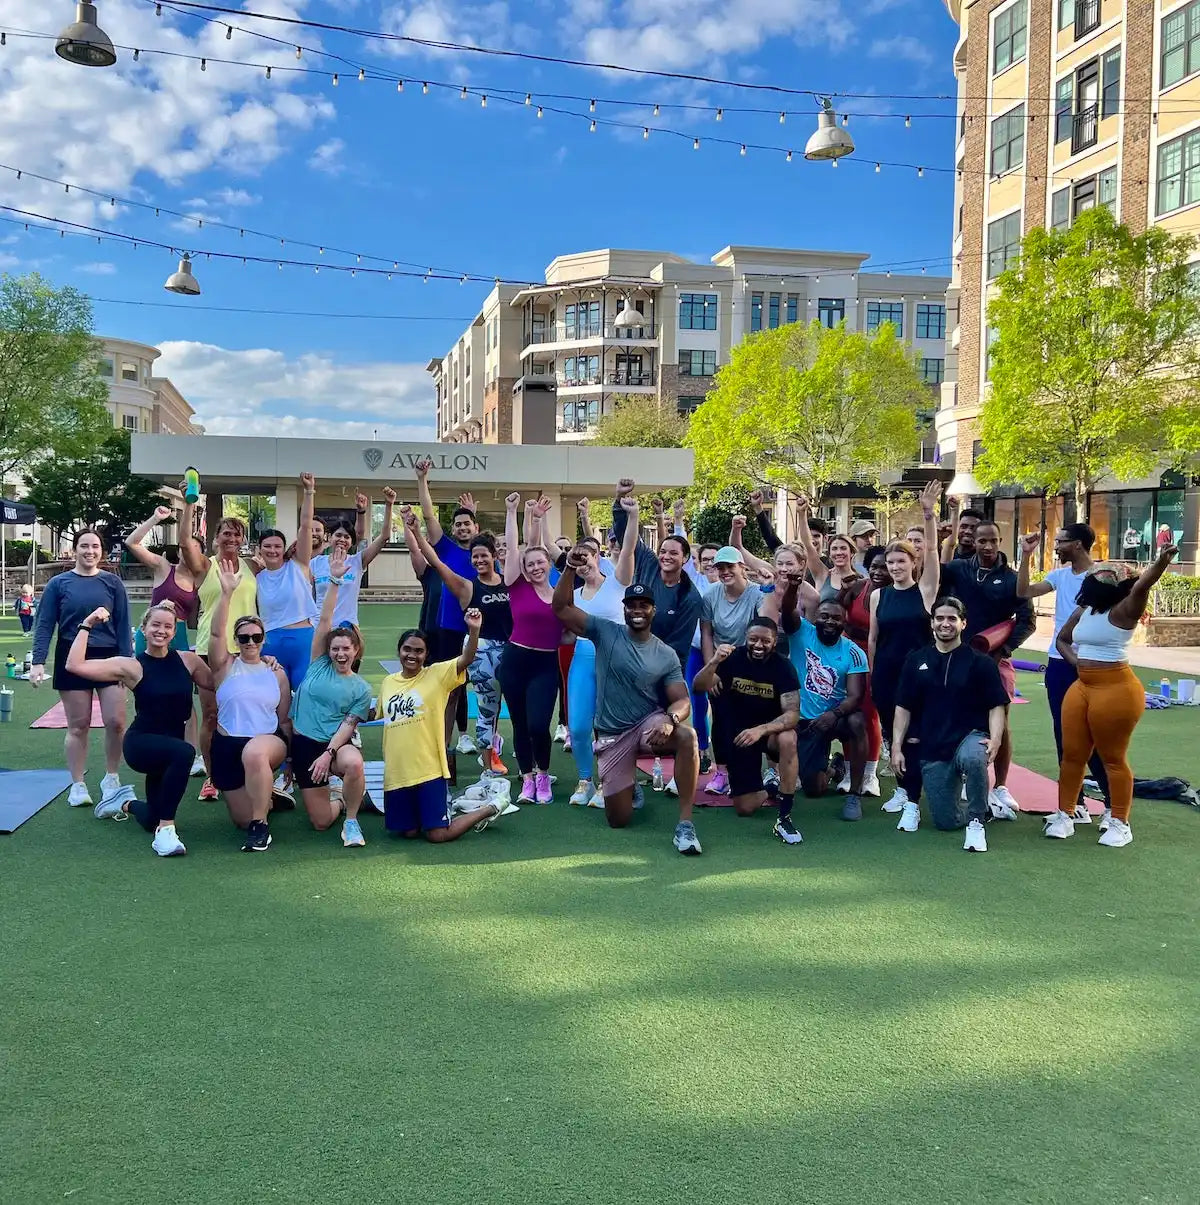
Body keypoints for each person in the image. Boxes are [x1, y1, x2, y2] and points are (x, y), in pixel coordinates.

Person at [552, 567, 702, 854]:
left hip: (649, 724)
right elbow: (560, 607)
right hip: (613, 733)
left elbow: (682, 700)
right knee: (618, 820)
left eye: (643, 605)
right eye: (631, 605)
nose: (637, 610)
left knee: (687, 737)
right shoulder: (605, 631)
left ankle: (685, 823)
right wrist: (570, 567)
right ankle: (630, 786)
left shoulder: (665, 654)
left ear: (653, 610)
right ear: (623, 610)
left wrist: (671, 720)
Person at [1044, 543, 1179, 847]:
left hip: (1116, 688)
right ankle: (1066, 814)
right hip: (1082, 687)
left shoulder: (1126, 609)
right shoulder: (1085, 610)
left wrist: (1161, 562)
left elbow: (1145, 584)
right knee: (1072, 755)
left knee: (1113, 758)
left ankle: (1120, 821)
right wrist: (1077, 662)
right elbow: (1063, 640)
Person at [63, 602, 212, 854]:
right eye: (155, 625)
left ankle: (123, 802)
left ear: (175, 632)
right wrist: (86, 625)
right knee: (185, 752)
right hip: (141, 745)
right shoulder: (132, 666)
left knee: (151, 817)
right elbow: (74, 666)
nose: (161, 631)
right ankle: (166, 833)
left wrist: (260, 661)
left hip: (169, 749)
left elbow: (218, 683)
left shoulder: (189, 661)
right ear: (143, 629)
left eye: (168, 626)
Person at [891, 597, 1009, 853]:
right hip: (933, 744)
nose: (946, 624)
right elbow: (903, 707)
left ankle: (977, 822)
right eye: (940, 618)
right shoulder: (916, 660)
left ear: (963, 623)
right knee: (946, 822)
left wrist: (996, 739)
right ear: (932, 623)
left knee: (976, 757)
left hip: (969, 736)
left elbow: (996, 706)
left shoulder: (981, 663)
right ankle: (987, 809)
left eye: (952, 619)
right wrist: (896, 747)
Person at [938, 519, 1036, 820]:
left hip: (995, 659)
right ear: (974, 541)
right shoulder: (958, 569)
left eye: (993, 540)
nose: (988, 546)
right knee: (956, 716)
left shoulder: (1011, 578)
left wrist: (1003, 651)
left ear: (1000, 540)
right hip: (957, 655)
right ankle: (966, 777)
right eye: (982, 541)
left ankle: (1002, 785)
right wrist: (941, 540)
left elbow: (1027, 621)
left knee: (1001, 721)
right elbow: (933, 579)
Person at [379, 609, 504, 842]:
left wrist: (474, 630)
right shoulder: (388, 683)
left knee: (437, 835)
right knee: (408, 833)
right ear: (399, 651)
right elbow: (374, 712)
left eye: (419, 651)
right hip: (398, 772)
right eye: (407, 649)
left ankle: (490, 808)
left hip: (429, 770)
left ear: (426, 655)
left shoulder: (436, 675)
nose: (412, 655)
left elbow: (467, 658)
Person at [30, 530, 132, 810]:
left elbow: (123, 625)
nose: (90, 551)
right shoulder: (58, 583)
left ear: (102, 550)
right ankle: (78, 784)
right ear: (74, 550)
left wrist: (128, 663)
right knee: (79, 725)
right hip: (72, 656)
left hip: (109, 656)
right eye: (84, 546)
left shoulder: (112, 583)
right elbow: (45, 623)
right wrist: (38, 661)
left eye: (95, 546)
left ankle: (111, 777)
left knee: (116, 722)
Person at [405, 509, 511, 777]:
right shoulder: (466, 587)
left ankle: (529, 766)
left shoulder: (509, 581)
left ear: (495, 556)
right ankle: (446, 751)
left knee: (512, 705)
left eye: (484, 555)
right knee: (468, 701)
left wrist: (515, 512)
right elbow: (437, 563)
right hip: (478, 651)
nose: (479, 560)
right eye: (475, 557)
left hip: (510, 654)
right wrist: (417, 532)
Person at [1017, 524, 1110, 822]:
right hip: (1059, 663)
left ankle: (1112, 806)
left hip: (1094, 663)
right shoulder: (1059, 576)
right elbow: (1024, 592)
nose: (1056, 547)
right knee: (1064, 735)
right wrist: (1025, 556)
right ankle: (1076, 804)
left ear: (1079, 545)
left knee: (1096, 737)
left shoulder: (1103, 577)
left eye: (1061, 542)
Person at [868, 480, 942, 832]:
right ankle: (901, 790)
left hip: (919, 675)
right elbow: (873, 638)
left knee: (915, 734)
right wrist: (870, 673)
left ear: (913, 562)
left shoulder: (926, 591)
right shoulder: (878, 596)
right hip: (885, 673)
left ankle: (917, 792)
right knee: (891, 733)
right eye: (891, 562)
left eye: (901, 561)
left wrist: (928, 513)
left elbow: (933, 554)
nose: (896, 566)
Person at [288, 549, 373, 847]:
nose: (340, 653)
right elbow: (324, 620)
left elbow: (348, 726)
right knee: (321, 822)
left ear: (356, 652)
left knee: (354, 763)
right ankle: (340, 796)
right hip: (303, 744)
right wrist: (335, 581)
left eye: (346, 649)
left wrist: (329, 753)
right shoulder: (318, 663)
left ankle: (351, 820)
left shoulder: (361, 688)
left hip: (332, 747)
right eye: (335, 648)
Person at [208, 557, 292, 852]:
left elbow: (283, 720)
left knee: (255, 754)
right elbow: (216, 634)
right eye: (244, 637)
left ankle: (261, 827)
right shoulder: (224, 666)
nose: (250, 642)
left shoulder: (276, 672)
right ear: (237, 639)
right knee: (240, 819)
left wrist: (290, 763)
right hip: (227, 745)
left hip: (267, 742)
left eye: (256, 637)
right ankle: (266, 799)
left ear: (263, 638)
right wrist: (227, 592)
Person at [692, 617, 801, 843]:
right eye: (753, 639)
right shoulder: (733, 659)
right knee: (744, 808)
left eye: (765, 641)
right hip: (740, 737)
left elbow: (792, 714)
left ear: (774, 641)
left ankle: (785, 815)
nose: (759, 645)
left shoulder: (783, 667)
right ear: (746, 638)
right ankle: (768, 789)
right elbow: (698, 686)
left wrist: (761, 730)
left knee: (788, 738)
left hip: (767, 733)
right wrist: (713, 661)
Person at [179, 502, 258, 803]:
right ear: (216, 537)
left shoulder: (252, 567)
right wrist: (188, 504)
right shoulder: (204, 566)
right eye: (226, 533)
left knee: (245, 714)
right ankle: (213, 776)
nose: (232, 539)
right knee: (212, 715)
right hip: (210, 650)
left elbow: (285, 556)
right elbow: (185, 541)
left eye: (237, 535)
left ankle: (247, 771)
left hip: (246, 650)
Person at [125, 505, 203, 774]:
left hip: (178, 636)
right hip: (151, 635)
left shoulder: (199, 577)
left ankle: (193, 754)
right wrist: (155, 518)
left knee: (185, 698)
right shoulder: (162, 567)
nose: (187, 552)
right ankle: (150, 744)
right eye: (184, 547)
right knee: (149, 695)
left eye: (194, 548)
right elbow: (131, 542)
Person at [563, 526, 635, 808]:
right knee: (579, 725)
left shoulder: (618, 582)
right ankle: (585, 780)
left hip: (614, 660)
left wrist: (632, 514)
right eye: (576, 561)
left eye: (586, 559)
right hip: (582, 657)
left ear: (597, 556)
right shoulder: (575, 595)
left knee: (611, 727)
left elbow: (628, 547)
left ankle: (609, 784)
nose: (582, 566)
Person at [499, 492, 563, 804]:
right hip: (514, 661)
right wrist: (512, 511)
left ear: (549, 564)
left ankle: (543, 774)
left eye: (541, 562)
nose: (536, 567)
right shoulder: (518, 585)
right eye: (531, 563)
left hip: (545, 666)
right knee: (520, 724)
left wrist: (538, 520)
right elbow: (515, 547)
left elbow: (535, 545)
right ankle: (526, 778)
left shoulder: (562, 594)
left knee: (539, 724)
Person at [784, 599, 870, 821]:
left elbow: (855, 696)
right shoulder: (802, 632)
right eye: (824, 616)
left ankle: (854, 794)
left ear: (844, 621)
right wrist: (793, 586)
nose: (829, 621)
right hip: (807, 721)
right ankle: (834, 768)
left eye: (836, 617)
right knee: (813, 789)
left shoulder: (854, 652)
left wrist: (834, 714)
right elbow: (787, 610)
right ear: (815, 618)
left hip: (837, 716)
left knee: (858, 722)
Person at [415, 460, 479, 759]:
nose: (463, 527)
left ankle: (488, 748)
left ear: (476, 527)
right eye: (459, 524)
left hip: (479, 633)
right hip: (448, 630)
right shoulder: (447, 549)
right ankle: (441, 745)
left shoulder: (485, 553)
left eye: (468, 523)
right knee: (448, 689)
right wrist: (422, 478)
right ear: (453, 530)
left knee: (484, 688)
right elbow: (428, 514)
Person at [609, 478, 703, 671]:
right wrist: (620, 499)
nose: (666, 556)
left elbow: (678, 646)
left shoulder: (690, 597)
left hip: (662, 670)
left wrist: (649, 669)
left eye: (673, 553)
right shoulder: (649, 563)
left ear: (685, 559)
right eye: (663, 551)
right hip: (629, 659)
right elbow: (625, 536)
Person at [699, 539, 763, 796]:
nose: (724, 572)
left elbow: (762, 632)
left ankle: (760, 772)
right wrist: (710, 669)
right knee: (722, 718)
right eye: (719, 567)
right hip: (720, 661)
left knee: (753, 717)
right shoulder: (711, 594)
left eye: (729, 567)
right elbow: (706, 634)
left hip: (750, 660)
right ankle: (722, 772)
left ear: (742, 567)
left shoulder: (757, 593)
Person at [253, 473, 319, 690]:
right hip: (271, 642)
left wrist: (309, 491)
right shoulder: (256, 576)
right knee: (274, 697)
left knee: (303, 693)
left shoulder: (298, 565)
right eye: (267, 546)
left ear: (284, 548)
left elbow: (306, 526)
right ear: (259, 550)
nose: (272, 550)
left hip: (303, 640)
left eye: (277, 546)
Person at [834, 551, 888, 795]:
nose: (878, 572)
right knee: (850, 711)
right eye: (874, 567)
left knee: (870, 715)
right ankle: (847, 770)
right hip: (851, 654)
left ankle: (869, 774)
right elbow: (836, 613)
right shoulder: (857, 588)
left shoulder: (899, 594)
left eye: (885, 567)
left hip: (880, 657)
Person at [311, 487, 396, 629]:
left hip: (347, 629)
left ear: (351, 541)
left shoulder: (357, 561)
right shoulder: (315, 563)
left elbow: (384, 537)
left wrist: (389, 505)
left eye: (347, 537)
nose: (342, 539)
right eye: (338, 535)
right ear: (329, 537)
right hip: (319, 628)